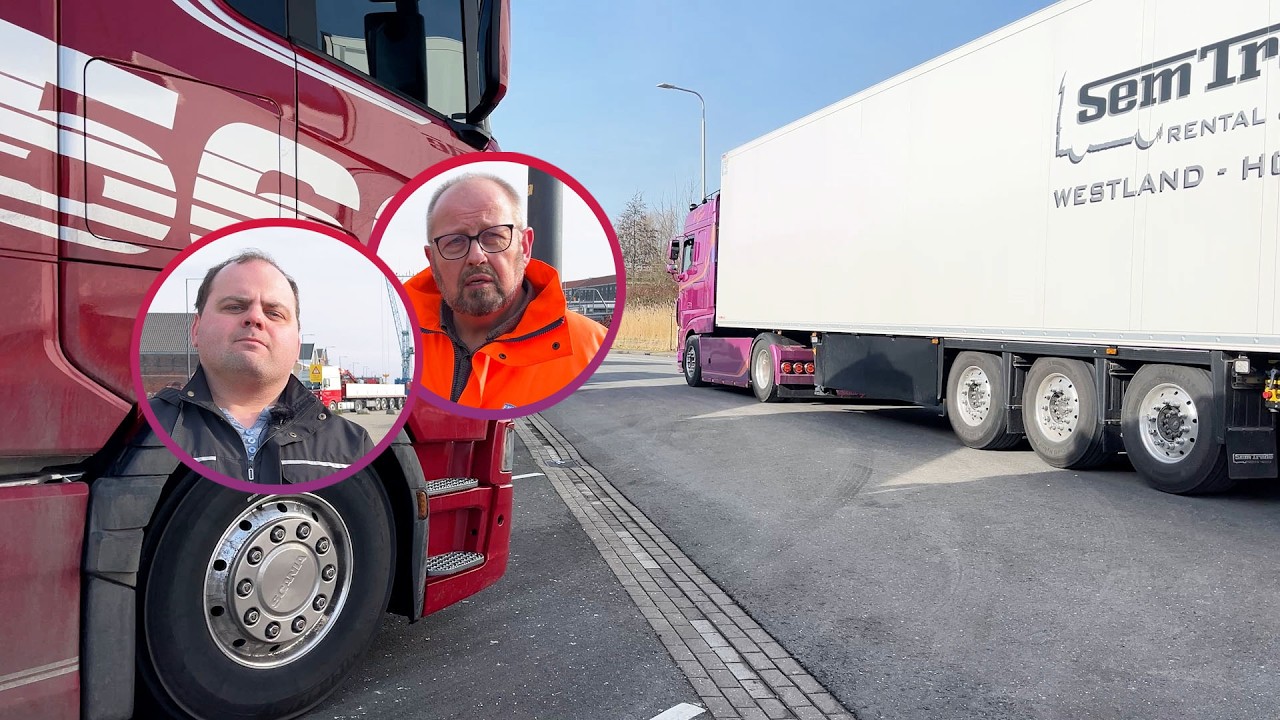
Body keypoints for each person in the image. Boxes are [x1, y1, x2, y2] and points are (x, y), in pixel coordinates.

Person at [150, 251, 373, 483]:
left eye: (274, 313)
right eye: (235, 306)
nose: (255, 317)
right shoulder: (142, 431)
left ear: (297, 344)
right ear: (196, 329)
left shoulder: (355, 447)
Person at [404, 173, 607, 410]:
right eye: (455, 241)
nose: (476, 257)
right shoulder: (405, 337)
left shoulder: (591, 348)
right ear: (432, 259)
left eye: (493, 236)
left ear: (525, 246)